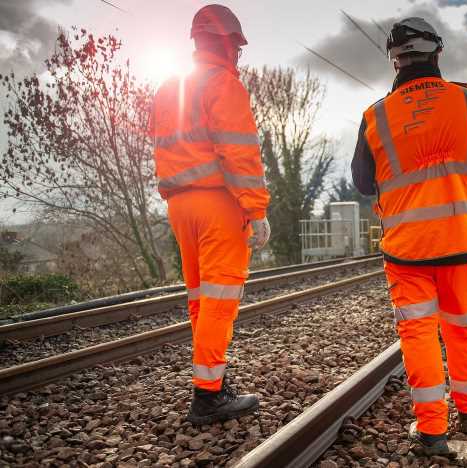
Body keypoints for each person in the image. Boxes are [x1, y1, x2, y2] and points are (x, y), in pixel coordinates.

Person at [351, 17, 467, 456]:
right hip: (459, 239)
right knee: (461, 327)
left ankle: (433, 432)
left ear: (394, 60)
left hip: (406, 249)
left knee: (417, 334)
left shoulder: (376, 115)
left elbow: (363, 182)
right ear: (437, 54)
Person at [150, 4, 270, 425]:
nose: (239, 55)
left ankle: (213, 380)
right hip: (218, 204)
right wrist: (255, 209)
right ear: (228, 43)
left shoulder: (170, 87)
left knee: (202, 300)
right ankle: (208, 397)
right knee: (220, 301)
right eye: (237, 46)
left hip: (179, 205)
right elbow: (238, 152)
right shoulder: (223, 84)